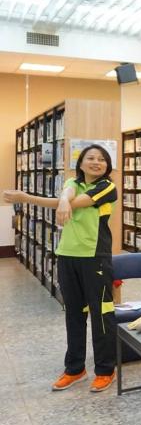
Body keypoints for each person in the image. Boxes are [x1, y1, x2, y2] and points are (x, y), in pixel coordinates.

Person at [3, 145, 119, 393]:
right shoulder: (72, 182)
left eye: (102, 159)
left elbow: (75, 202)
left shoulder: (107, 187)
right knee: (74, 314)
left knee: (101, 315)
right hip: (67, 255)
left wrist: (27, 198)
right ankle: (75, 369)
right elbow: (67, 193)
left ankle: (105, 370)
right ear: (81, 163)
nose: (96, 162)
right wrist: (64, 200)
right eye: (91, 158)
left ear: (108, 165)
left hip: (95, 257)